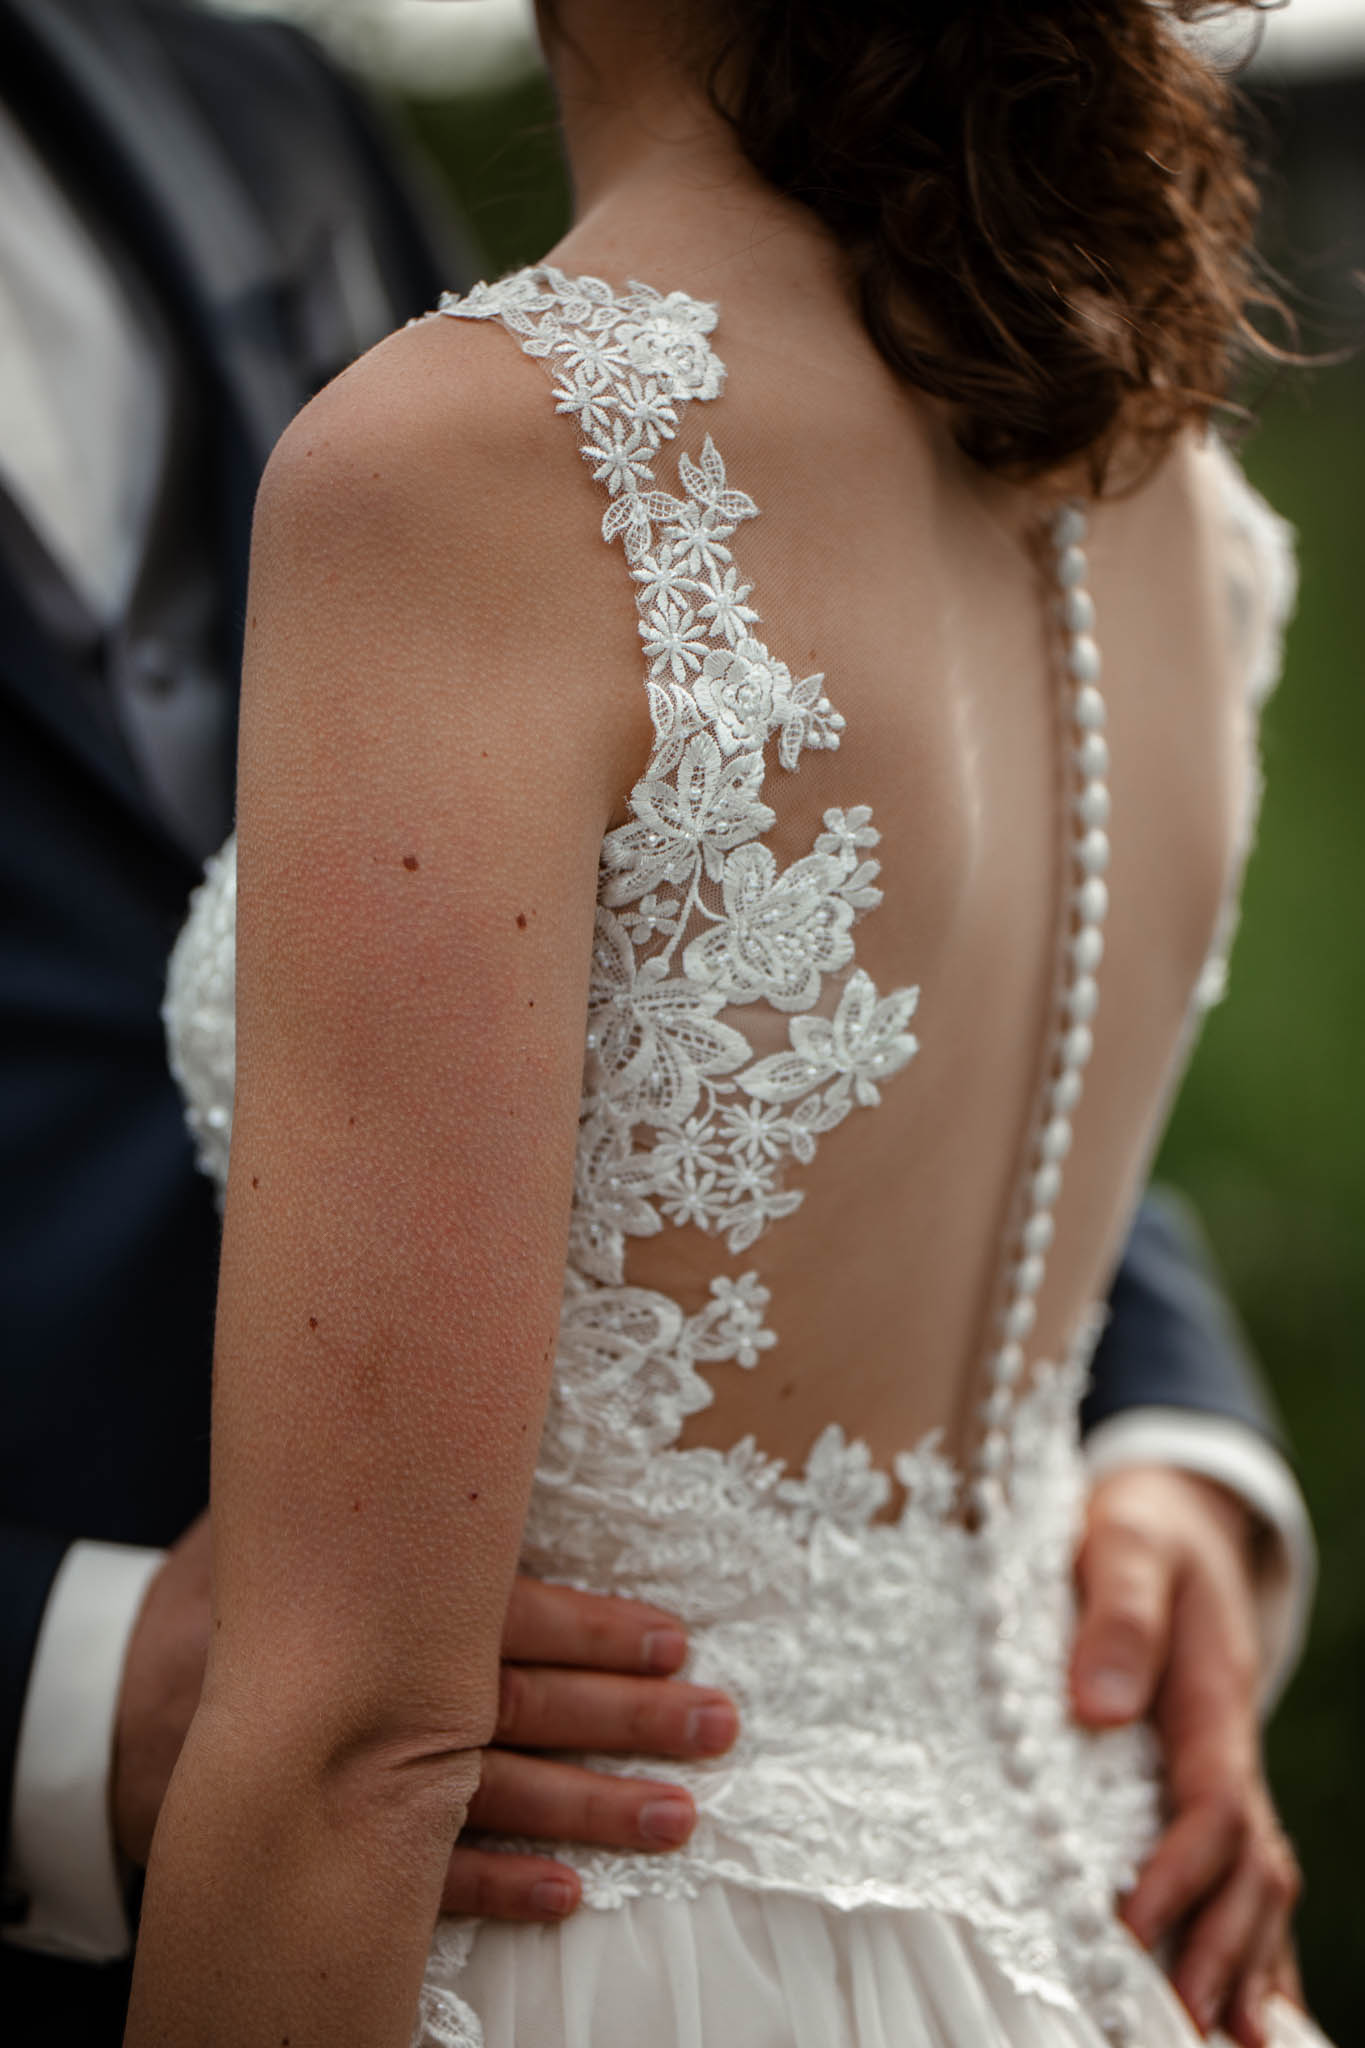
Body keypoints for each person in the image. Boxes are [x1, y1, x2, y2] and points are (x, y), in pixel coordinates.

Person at [0, 0, 1313, 2043]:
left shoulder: (476, 453)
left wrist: (1165, 1461)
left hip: (617, 1945)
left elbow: (358, 1738)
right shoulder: (1162, 484)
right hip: (1074, 1944)